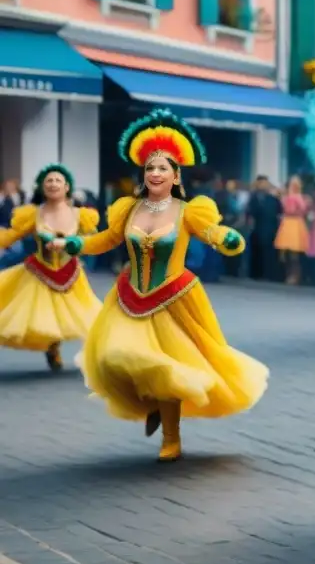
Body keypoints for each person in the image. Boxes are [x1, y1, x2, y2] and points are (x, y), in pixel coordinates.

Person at [49, 109, 269, 462]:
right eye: (149, 167)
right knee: (112, 357)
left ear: (176, 175)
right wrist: (74, 244)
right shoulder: (128, 209)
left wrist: (226, 238)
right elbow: (106, 239)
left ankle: (171, 437)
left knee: (168, 369)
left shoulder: (189, 211)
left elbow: (211, 232)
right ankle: (150, 403)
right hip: (130, 296)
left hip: (174, 298)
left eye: (162, 168)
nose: (154, 173)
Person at [0, 164, 103, 371]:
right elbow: (11, 236)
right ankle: (52, 348)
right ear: (42, 187)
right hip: (39, 272)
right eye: (49, 180)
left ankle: (93, 355)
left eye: (58, 180)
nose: (53, 184)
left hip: (70, 273)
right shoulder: (33, 214)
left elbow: (92, 241)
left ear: (67, 187)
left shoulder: (81, 215)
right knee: (41, 315)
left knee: (84, 317)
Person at [275, 176, 310, 284]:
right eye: (292, 184)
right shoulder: (285, 197)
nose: (294, 186)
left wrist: (294, 210)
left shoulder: (300, 197)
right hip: (287, 223)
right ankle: (288, 274)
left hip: (296, 224)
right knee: (285, 251)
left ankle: (295, 276)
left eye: (296, 184)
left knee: (294, 252)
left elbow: (303, 209)